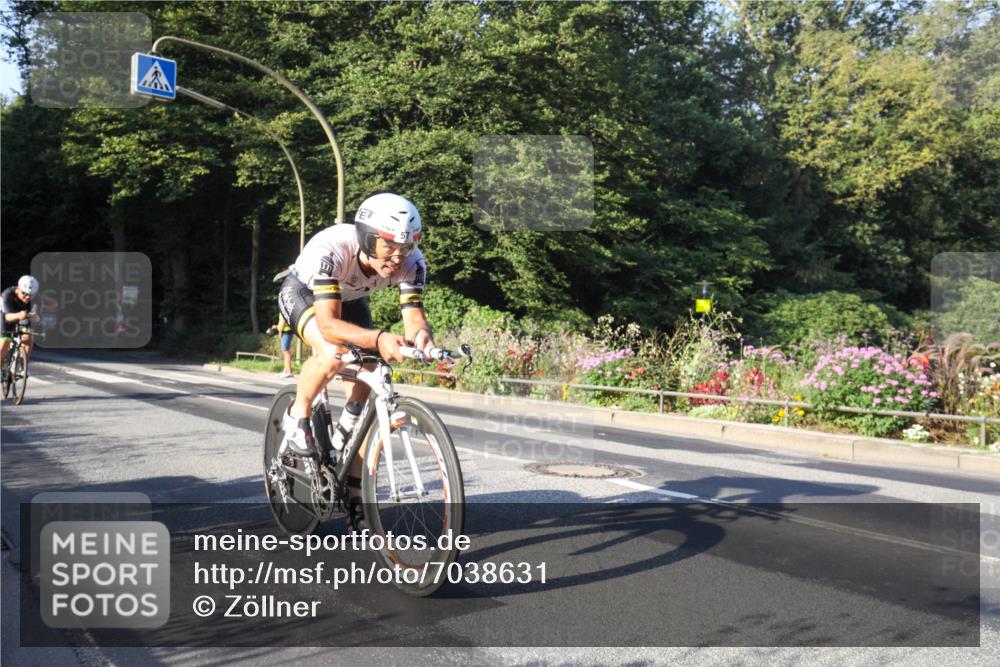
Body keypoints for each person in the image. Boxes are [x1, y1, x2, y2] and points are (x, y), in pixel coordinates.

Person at [276, 193, 436, 503]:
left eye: (407, 246)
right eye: (389, 245)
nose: (398, 256)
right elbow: (328, 325)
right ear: (366, 238)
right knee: (332, 351)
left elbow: (414, 318)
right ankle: (298, 416)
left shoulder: (413, 264)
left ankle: (352, 479)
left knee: (371, 368)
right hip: (302, 293)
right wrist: (379, 338)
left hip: (349, 299)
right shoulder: (332, 248)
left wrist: (422, 339)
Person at [1, 275, 40, 366]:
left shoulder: (38, 299)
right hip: (7, 316)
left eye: (31, 295)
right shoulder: (7, 294)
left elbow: (37, 318)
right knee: (5, 342)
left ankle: (22, 363)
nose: (27, 297)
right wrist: (18, 315)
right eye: (24, 293)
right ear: (18, 289)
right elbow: (7, 317)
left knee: (28, 338)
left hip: (24, 316)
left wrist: (36, 317)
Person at [267, 313, 295, 378]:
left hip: (286, 333)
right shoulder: (286, 310)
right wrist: (276, 326)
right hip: (287, 332)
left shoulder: (283, 311)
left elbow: (283, 322)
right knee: (284, 351)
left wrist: (280, 332)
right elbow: (284, 323)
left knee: (285, 351)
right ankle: (285, 370)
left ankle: (289, 372)